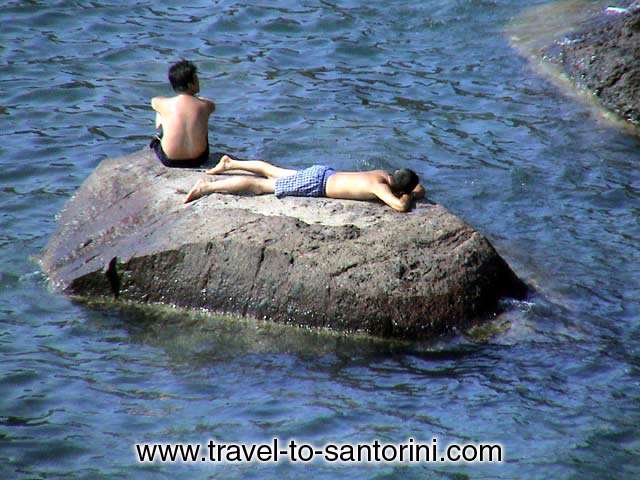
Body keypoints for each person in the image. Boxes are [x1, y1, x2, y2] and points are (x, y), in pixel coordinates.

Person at [184, 155, 426, 212]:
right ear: (401, 189)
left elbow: (418, 188)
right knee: (259, 186)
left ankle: (229, 164)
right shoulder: (380, 188)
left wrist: (413, 190)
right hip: (316, 185)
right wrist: (409, 197)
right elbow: (400, 207)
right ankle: (208, 186)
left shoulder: (382, 174)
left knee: (271, 171)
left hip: (323, 173)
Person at [150, 60, 215, 168]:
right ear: (190, 84)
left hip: (170, 160)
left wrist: (160, 114)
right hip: (199, 159)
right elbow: (211, 105)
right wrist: (197, 99)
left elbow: (154, 101)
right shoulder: (205, 105)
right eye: (196, 78)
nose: (199, 81)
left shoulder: (165, 104)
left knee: (162, 113)